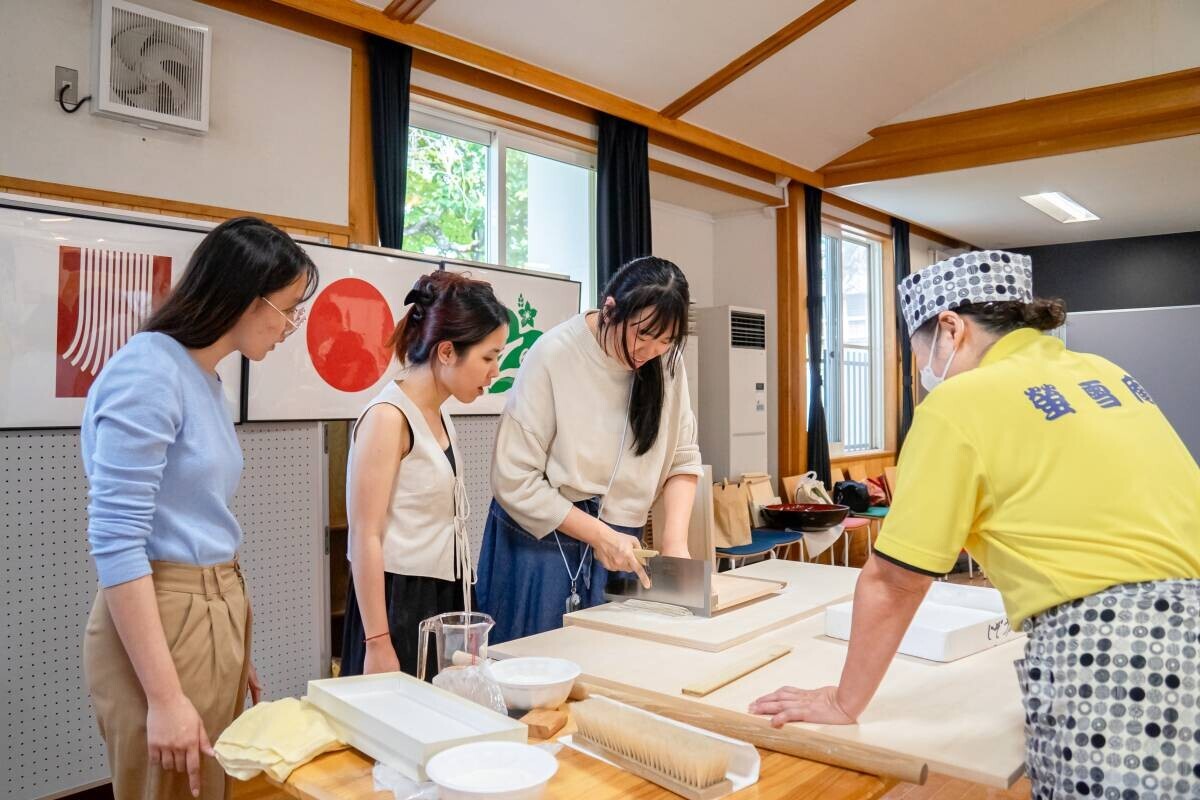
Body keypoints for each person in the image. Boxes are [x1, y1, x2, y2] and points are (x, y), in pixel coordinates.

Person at [749, 250, 1200, 799]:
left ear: (950, 328)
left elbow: (896, 581)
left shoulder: (960, 402)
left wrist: (843, 702)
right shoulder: (1105, 373)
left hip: (1116, 652)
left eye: (916, 353)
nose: (922, 371)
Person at [82, 217, 318, 800]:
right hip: (168, 610)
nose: (291, 327)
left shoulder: (201, 377)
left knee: (206, 788)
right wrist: (165, 695)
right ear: (243, 296)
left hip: (206, 611)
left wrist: (227, 647)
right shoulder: (149, 370)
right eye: (289, 309)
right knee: (170, 790)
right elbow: (116, 540)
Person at [477, 256, 703, 644]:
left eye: (665, 340)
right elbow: (514, 479)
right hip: (545, 540)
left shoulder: (667, 361)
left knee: (611, 672)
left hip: (622, 544)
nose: (650, 350)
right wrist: (598, 534)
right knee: (532, 671)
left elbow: (682, 455)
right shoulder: (553, 354)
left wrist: (674, 545)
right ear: (610, 309)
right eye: (642, 335)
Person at [340, 271, 508, 678]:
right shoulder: (387, 417)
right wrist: (377, 642)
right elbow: (365, 536)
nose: (494, 371)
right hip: (398, 601)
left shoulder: (439, 410)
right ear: (447, 351)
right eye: (488, 357)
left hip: (443, 593)